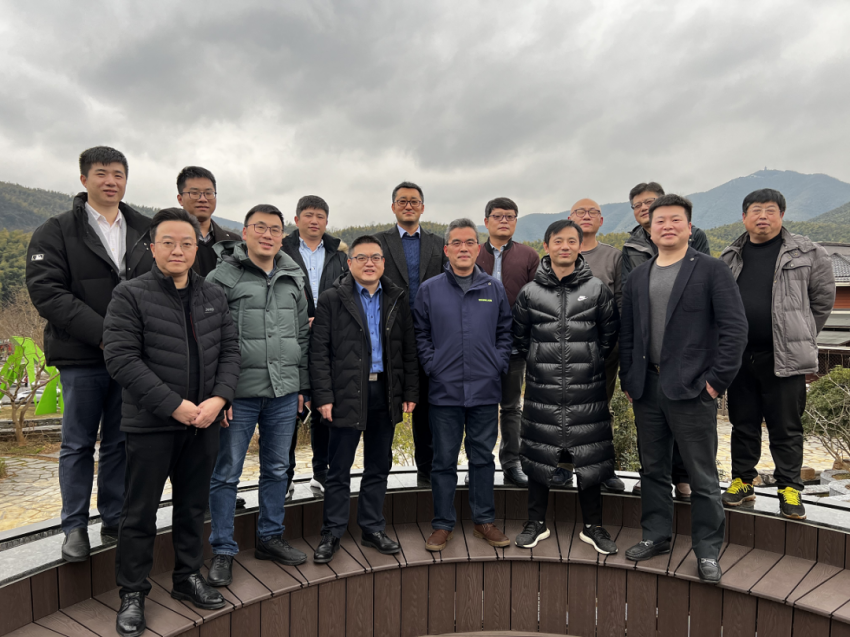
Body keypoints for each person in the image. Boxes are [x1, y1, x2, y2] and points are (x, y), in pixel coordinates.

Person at [103, 208, 241, 637]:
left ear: (196, 248)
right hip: (152, 424)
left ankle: (187, 577)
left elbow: (231, 351)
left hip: (204, 422)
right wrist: (174, 405)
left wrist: (220, 398)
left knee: (193, 506)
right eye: (168, 242)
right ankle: (132, 591)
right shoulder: (129, 295)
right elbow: (121, 359)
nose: (178, 250)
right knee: (139, 512)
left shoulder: (212, 294)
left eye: (186, 243)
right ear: (152, 247)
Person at [26, 146, 154, 562]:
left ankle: (114, 518)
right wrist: (106, 335)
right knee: (78, 443)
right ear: (84, 179)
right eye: (101, 173)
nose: (111, 181)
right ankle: (74, 527)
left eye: (118, 174)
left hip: (132, 359)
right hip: (82, 357)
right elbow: (47, 291)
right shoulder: (56, 230)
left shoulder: (145, 229)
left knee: (121, 441)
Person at [619, 194, 747, 584]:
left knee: (702, 475)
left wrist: (715, 384)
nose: (667, 226)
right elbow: (628, 334)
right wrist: (629, 379)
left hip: (694, 388)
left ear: (689, 228)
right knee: (653, 468)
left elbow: (735, 331)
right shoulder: (638, 276)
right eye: (660, 221)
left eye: (676, 220)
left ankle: (707, 550)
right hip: (647, 387)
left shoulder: (711, 270)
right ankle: (656, 535)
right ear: (649, 230)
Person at [206, 204, 311, 585]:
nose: (268, 235)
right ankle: (222, 548)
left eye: (274, 229)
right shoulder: (222, 277)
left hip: (283, 392)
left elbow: (302, 336)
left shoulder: (293, 277)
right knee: (227, 472)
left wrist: (301, 386)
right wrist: (220, 394)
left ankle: (270, 537)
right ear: (245, 233)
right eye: (260, 227)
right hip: (238, 394)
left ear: (283, 236)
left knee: (278, 468)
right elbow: (210, 339)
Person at [720, 189, 835, 520]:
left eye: (770, 210)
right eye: (755, 210)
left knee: (786, 426)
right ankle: (743, 481)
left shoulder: (808, 253)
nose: (763, 217)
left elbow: (823, 301)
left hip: (784, 356)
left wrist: (799, 333)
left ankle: (789, 488)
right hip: (741, 355)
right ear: (744, 217)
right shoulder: (730, 256)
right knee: (743, 423)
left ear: (782, 215)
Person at [309, 235, 419, 563]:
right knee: (338, 467)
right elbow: (318, 352)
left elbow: (408, 349)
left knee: (379, 464)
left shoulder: (397, 297)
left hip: (385, 390)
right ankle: (332, 532)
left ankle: (372, 528)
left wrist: (410, 391)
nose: (369, 263)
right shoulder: (331, 299)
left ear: (383, 263)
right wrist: (323, 395)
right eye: (361, 258)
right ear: (349, 263)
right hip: (345, 392)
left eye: (375, 257)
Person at [512, 220, 620, 554]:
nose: (565, 247)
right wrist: (540, 363)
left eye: (572, 241)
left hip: (586, 387)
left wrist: (588, 362)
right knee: (539, 452)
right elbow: (520, 339)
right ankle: (536, 522)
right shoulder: (530, 292)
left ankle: (593, 526)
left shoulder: (597, 289)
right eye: (558, 241)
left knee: (590, 455)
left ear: (579, 246)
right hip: (542, 388)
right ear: (546, 246)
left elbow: (609, 336)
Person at [413, 219, 512, 552]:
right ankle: (442, 525)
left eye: (470, 242)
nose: (463, 248)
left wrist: (497, 363)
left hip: (485, 390)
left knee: (482, 458)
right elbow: (421, 334)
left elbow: (505, 331)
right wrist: (433, 365)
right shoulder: (430, 289)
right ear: (447, 249)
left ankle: (484, 521)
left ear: (478, 248)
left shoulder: (493, 289)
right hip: (445, 391)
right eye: (456, 242)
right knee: (443, 460)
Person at [622, 182, 705, 500]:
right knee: (651, 426)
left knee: (685, 425)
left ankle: (683, 478)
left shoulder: (694, 238)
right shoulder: (631, 247)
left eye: (650, 202)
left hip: (686, 350)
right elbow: (628, 297)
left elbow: (703, 289)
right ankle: (653, 479)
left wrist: (714, 379)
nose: (644, 208)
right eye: (638, 204)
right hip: (646, 345)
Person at [378, 182, 447, 485]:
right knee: (384, 408)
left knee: (428, 409)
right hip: (387, 336)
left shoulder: (438, 243)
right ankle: (378, 473)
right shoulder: (378, 243)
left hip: (431, 337)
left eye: (414, 201)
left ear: (423, 207)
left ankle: (427, 473)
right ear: (393, 206)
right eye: (402, 201)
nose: (408, 206)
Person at [281, 195, 349, 494]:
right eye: (308, 215)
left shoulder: (339, 254)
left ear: (326, 221)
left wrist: (325, 320)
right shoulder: (281, 251)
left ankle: (322, 471)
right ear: (296, 219)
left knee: (324, 403)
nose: (314, 221)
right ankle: (283, 476)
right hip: (288, 337)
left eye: (320, 216)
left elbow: (347, 293)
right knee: (288, 407)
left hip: (329, 338)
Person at [475, 197, 539, 487]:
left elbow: (538, 298)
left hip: (514, 345)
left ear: (515, 221)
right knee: (479, 406)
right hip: (477, 348)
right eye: (498, 216)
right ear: (486, 221)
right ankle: (479, 462)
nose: (504, 220)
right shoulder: (473, 253)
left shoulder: (528, 256)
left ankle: (512, 462)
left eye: (510, 216)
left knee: (512, 407)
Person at [569, 198, 626, 493]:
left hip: (604, 351)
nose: (586, 216)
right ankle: (563, 466)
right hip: (564, 351)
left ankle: (601, 468)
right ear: (570, 218)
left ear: (601, 221)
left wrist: (613, 343)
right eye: (580, 211)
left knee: (600, 410)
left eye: (593, 212)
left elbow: (621, 303)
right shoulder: (560, 253)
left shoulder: (613, 256)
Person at [175, 166, 240, 276]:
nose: (203, 199)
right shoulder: (165, 240)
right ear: (180, 199)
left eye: (209, 193)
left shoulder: (234, 242)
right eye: (194, 193)